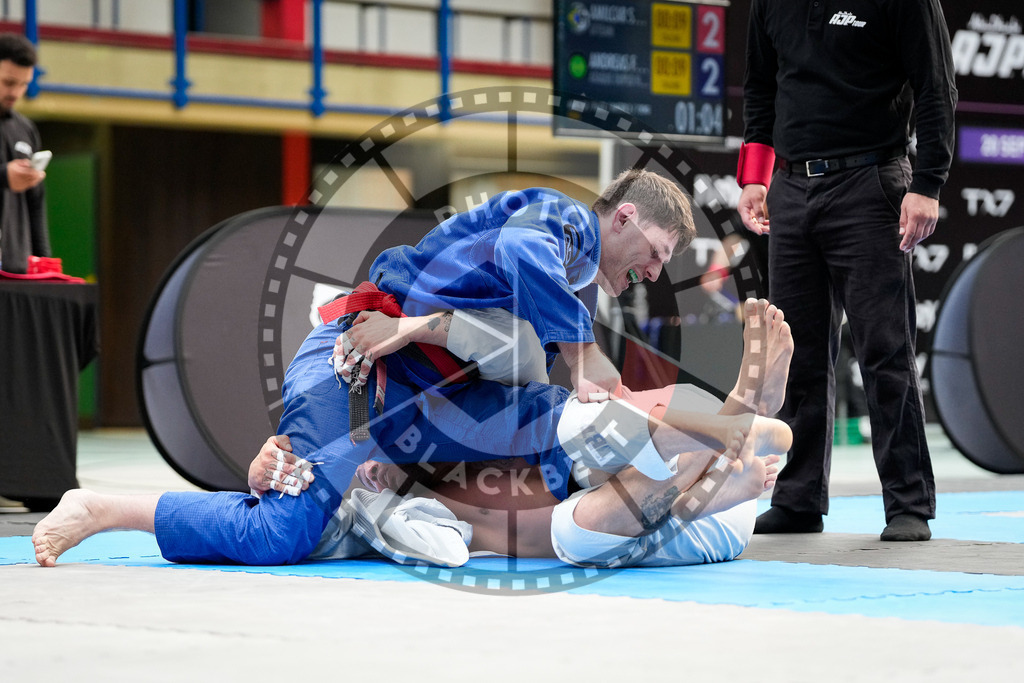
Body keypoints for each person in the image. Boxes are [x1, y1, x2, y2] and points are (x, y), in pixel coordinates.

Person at [33, 299, 795, 569]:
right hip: (369, 356)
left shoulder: (565, 506)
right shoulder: (563, 421)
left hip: (384, 428)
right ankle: (728, 427)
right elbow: (508, 349)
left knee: (289, 525)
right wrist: (410, 329)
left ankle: (106, 507)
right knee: (292, 517)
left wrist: (280, 462)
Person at [735, 0, 957, 541]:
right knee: (796, 353)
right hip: (790, 187)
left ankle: (908, 503)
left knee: (885, 350)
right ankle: (797, 499)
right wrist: (754, 178)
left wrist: (927, 183)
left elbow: (936, 86)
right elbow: (760, 86)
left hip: (869, 181)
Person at [0, 33, 48, 275]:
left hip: (16, 268)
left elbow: (35, 204)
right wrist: (4, 176)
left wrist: (44, 264)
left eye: (24, 84)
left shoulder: (25, 129)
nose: (16, 93)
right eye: (9, 82)